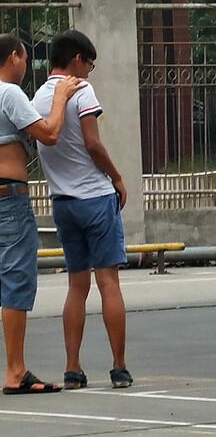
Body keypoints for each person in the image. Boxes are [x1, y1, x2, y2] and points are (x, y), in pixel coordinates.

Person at [32, 30, 132, 390]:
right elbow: (93, 143)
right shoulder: (81, 91)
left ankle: (72, 368)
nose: (89, 71)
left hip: (63, 202)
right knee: (108, 282)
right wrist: (116, 177)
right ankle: (119, 367)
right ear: (76, 59)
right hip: (95, 197)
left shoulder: (39, 98)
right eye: (89, 64)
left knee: (77, 286)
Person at [0, 33, 81, 395]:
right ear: (14, 57)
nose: (26, 65)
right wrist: (60, 97)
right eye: (24, 57)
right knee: (15, 281)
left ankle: (16, 369)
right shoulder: (9, 93)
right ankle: (15, 371)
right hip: (8, 198)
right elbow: (49, 134)